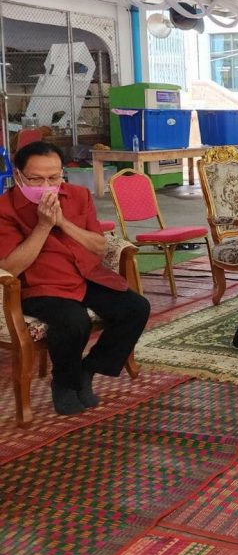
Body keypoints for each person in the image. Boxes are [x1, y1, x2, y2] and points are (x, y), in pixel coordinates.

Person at [0, 141, 150, 415]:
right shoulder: (5, 208)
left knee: (135, 308)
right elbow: (11, 267)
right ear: (19, 175)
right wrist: (43, 226)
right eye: (36, 179)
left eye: (54, 177)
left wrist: (63, 223)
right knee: (73, 321)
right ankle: (64, 383)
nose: (47, 185)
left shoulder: (78, 195)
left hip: (85, 273)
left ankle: (88, 369)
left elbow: (99, 246)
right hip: (40, 284)